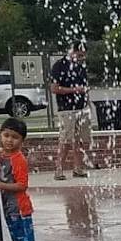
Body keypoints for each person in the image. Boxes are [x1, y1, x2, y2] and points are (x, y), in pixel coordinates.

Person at [50, 45, 92, 179]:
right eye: (79, 55)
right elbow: (54, 88)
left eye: (83, 56)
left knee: (80, 140)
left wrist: (86, 101)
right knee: (66, 139)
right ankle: (59, 169)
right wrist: (74, 90)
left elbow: (84, 86)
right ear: (72, 51)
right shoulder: (59, 66)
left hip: (81, 108)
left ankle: (78, 168)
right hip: (66, 109)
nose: (81, 58)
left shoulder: (81, 67)